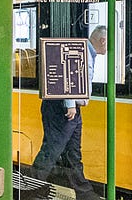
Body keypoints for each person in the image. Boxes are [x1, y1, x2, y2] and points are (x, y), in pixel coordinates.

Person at [29, 26, 107, 200]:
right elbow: (68, 74)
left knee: (73, 153)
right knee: (51, 150)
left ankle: (83, 192)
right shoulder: (81, 50)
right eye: (108, 44)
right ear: (102, 40)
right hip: (63, 110)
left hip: (71, 110)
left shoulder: (87, 51)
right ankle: (29, 189)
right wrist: (70, 103)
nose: (109, 48)